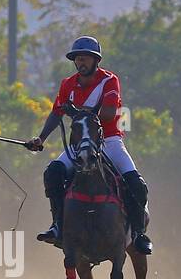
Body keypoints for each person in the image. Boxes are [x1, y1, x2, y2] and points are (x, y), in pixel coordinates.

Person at [24, 36, 152, 254]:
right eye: (77, 59)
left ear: (95, 61)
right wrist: (41, 138)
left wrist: (82, 116)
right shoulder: (67, 84)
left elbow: (110, 113)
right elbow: (57, 113)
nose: (80, 63)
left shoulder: (109, 81)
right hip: (79, 143)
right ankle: (58, 225)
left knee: (136, 184)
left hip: (109, 141)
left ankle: (139, 233)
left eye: (85, 59)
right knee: (52, 172)